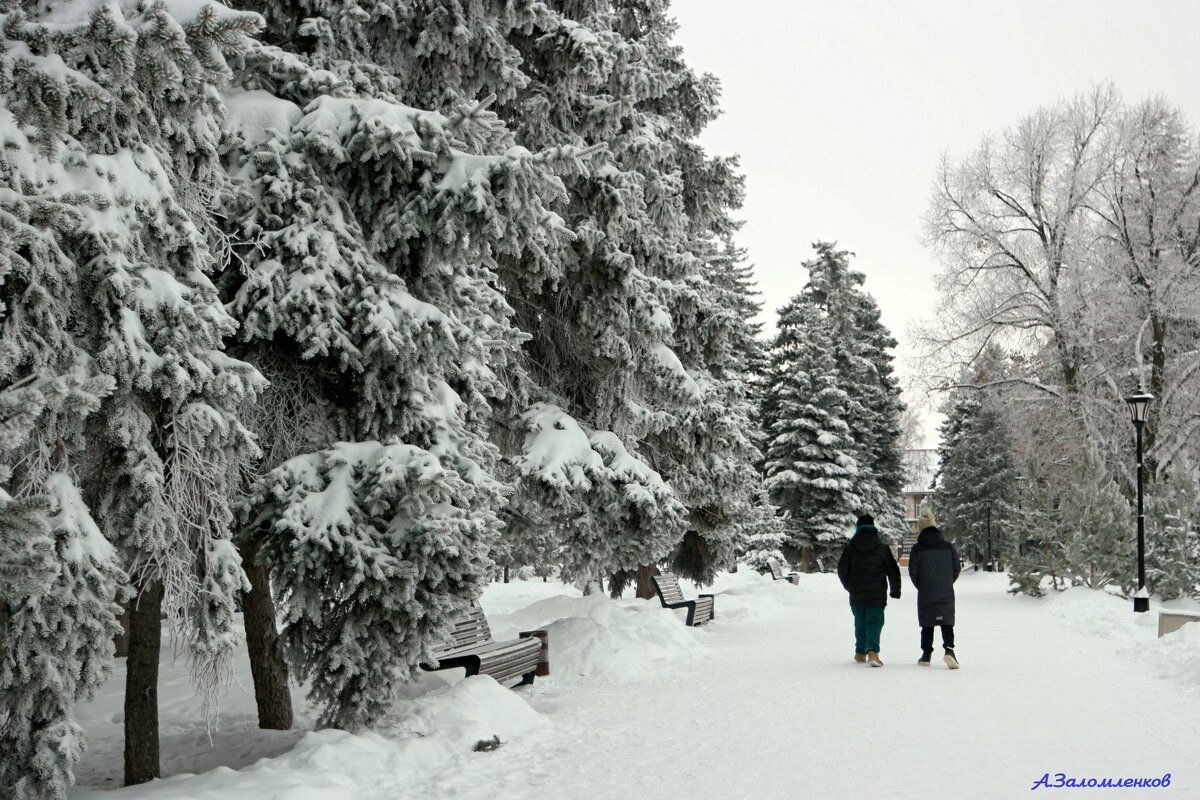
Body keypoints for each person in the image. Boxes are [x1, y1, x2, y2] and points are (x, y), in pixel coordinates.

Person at [837, 513, 901, 667]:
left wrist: (849, 586)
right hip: (877, 594)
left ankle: (860, 653)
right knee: (874, 621)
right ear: (873, 528)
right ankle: (872, 650)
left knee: (859, 621)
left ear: (858, 528)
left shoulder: (850, 548)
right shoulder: (882, 548)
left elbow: (842, 569)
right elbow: (893, 570)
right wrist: (895, 590)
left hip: (857, 593)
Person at [908, 509, 962, 669]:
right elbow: (956, 568)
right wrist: (947, 581)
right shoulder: (948, 546)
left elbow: (913, 572)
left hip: (926, 589)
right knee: (946, 621)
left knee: (927, 622)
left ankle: (926, 655)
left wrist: (922, 585)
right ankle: (949, 650)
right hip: (945, 588)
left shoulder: (917, 548)